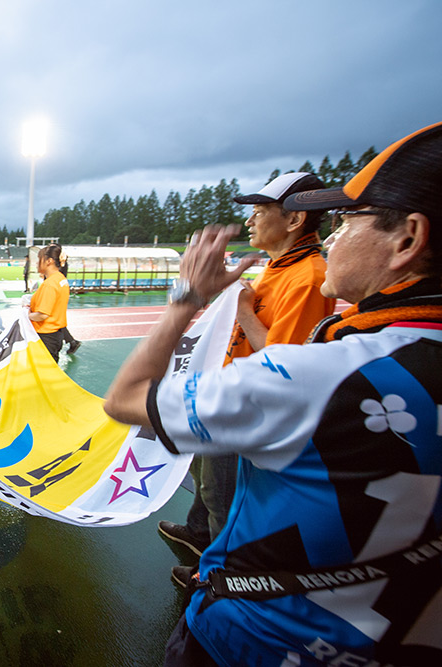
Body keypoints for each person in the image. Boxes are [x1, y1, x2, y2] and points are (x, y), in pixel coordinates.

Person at [103, 121, 442, 666]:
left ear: (407, 239)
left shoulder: (318, 367)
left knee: (223, 499)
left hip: (253, 638)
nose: (332, 238)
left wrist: (188, 297)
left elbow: (126, 397)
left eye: (348, 220)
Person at [159, 172, 336, 588]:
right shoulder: (280, 266)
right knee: (205, 475)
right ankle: (199, 533)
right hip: (232, 390)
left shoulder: (308, 277)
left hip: (251, 407)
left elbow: (285, 362)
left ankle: (221, 577)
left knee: (223, 494)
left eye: (259, 211)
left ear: (294, 220)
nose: (251, 220)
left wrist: (242, 311)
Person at [28, 243, 70, 361]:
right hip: (56, 334)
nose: (37, 263)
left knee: (43, 370)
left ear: (49, 261)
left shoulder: (49, 284)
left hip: (45, 336)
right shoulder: (60, 279)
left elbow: (42, 315)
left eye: (39, 259)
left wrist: (27, 315)